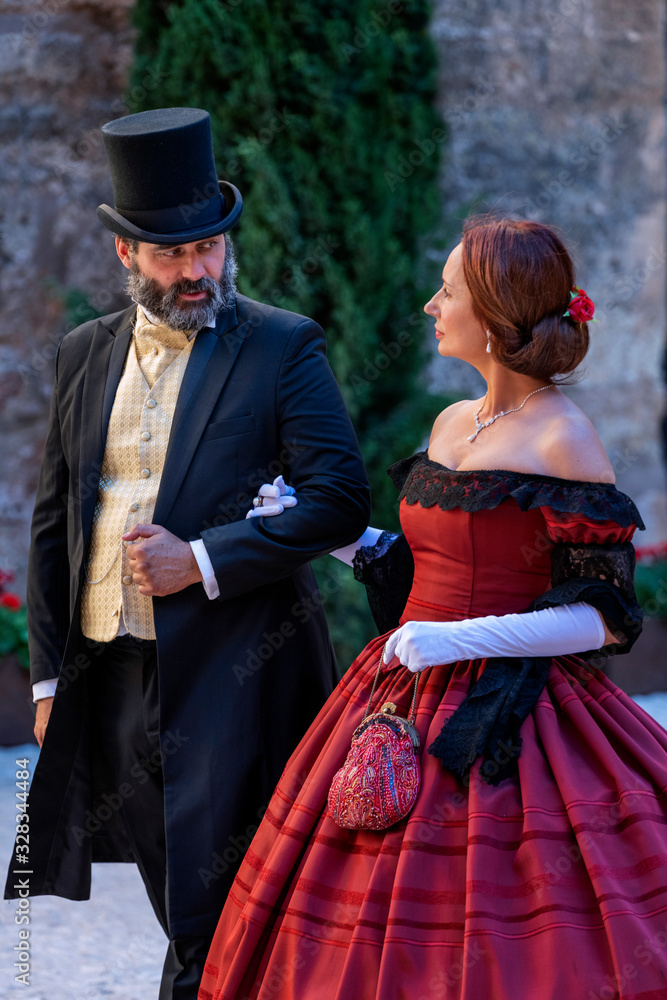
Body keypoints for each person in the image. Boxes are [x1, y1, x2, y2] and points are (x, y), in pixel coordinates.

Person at [198, 217, 667, 1000]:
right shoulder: (452, 422)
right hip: (399, 691)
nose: (428, 305)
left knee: (510, 919)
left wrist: (454, 642)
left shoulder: (563, 439)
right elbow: (428, 564)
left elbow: (603, 616)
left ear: (490, 312)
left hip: (517, 715)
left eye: (446, 290)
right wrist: (320, 532)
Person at [4, 107, 370, 999]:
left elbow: (338, 501)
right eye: (173, 255)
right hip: (108, 670)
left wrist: (203, 558)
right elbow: (55, 521)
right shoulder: (86, 352)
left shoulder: (282, 345)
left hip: (234, 668)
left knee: (217, 906)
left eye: (209, 248)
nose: (197, 269)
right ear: (128, 257)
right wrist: (49, 682)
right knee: (174, 883)